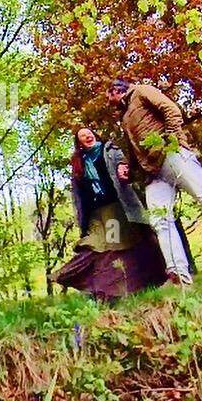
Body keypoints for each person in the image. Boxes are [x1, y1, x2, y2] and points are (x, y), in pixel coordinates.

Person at [107, 77, 202, 285]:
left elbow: (171, 110)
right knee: (160, 221)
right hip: (153, 173)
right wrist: (128, 168)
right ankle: (178, 275)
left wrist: (170, 141)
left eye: (108, 96)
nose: (108, 101)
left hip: (173, 156)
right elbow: (136, 151)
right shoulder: (125, 116)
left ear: (116, 91)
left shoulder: (142, 91)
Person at [51, 128, 168, 299]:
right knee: (91, 245)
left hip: (115, 209)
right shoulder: (79, 163)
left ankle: (120, 289)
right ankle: (83, 281)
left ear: (94, 135)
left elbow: (122, 164)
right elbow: (78, 195)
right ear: (80, 143)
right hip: (95, 215)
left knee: (117, 248)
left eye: (88, 133)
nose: (87, 136)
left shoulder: (110, 150)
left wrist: (123, 168)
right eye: (82, 136)